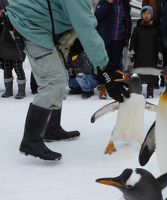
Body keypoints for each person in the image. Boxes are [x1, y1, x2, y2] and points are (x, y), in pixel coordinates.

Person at [6, 0, 130, 161]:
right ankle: (31, 140)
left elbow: (83, 21)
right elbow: (85, 26)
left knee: (61, 76)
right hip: (31, 25)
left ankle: (51, 128)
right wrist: (105, 70)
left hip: (43, 23)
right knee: (53, 81)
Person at [95, 0, 132, 99]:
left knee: (115, 64)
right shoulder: (104, 2)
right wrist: (108, 3)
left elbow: (127, 21)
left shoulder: (125, 4)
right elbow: (96, 16)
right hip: (105, 38)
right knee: (104, 64)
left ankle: (115, 86)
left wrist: (127, 37)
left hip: (119, 39)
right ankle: (103, 87)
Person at [129, 6, 162, 98]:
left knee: (150, 73)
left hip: (152, 56)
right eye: (144, 14)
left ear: (151, 15)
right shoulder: (137, 29)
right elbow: (133, 41)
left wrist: (160, 53)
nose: (146, 16)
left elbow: (158, 43)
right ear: (141, 15)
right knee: (138, 73)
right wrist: (132, 51)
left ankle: (150, 90)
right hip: (139, 56)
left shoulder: (155, 29)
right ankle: (137, 89)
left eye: (148, 13)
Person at [0, 0, 26, 99]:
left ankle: (21, 90)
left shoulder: (17, 3)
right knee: (6, 66)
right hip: (4, 39)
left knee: (17, 66)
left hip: (16, 39)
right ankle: (8, 90)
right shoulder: (2, 2)